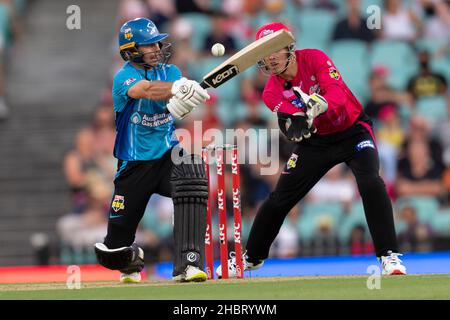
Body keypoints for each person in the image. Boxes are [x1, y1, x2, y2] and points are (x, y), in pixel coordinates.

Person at [216, 22, 407, 277]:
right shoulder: (271, 92)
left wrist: (321, 104)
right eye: (264, 51)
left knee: (371, 183)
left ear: (289, 48)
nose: (270, 57)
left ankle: (389, 256)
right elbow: (291, 123)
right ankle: (250, 258)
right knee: (279, 200)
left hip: (353, 130)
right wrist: (298, 119)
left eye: (274, 49)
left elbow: (337, 92)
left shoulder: (314, 58)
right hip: (315, 142)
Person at [94, 18, 210, 283]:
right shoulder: (124, 76)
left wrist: (186, 98)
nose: (157, 47)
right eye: (149, 45)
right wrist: (178, 89)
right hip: (133, 163)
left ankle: (189, 263)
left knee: (191, 171)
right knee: (113, 251)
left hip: (166, 155)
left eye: (157, 42)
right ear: (133, 50)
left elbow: (177, 98)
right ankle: (132, 261)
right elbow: (144, 90)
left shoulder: (170, 72)